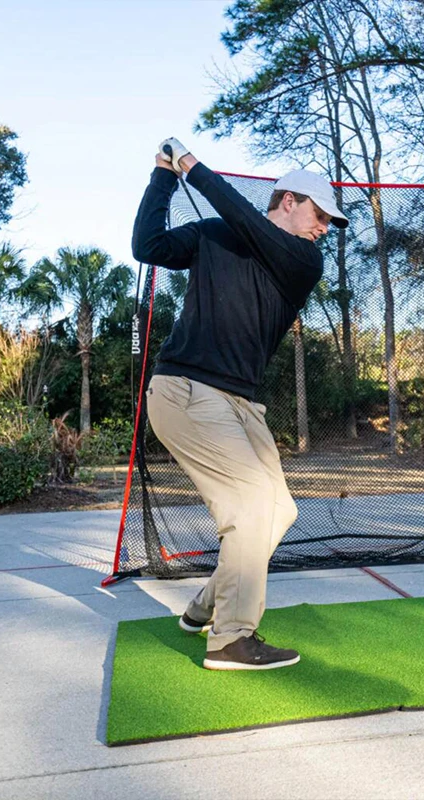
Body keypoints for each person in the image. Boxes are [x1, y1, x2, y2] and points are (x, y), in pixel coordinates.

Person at [132, 137, 348, 670]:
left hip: (242, 405)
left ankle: (206, 605)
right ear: (290, 200)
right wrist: (165, 175)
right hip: (185, 390)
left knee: (278, 511)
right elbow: (149, 246)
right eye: (321, 214)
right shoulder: (215, 234)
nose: (325, 227)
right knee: (251, 509)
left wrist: (193, 166)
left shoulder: (303, 258)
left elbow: (244, 218)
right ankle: (230, 637)